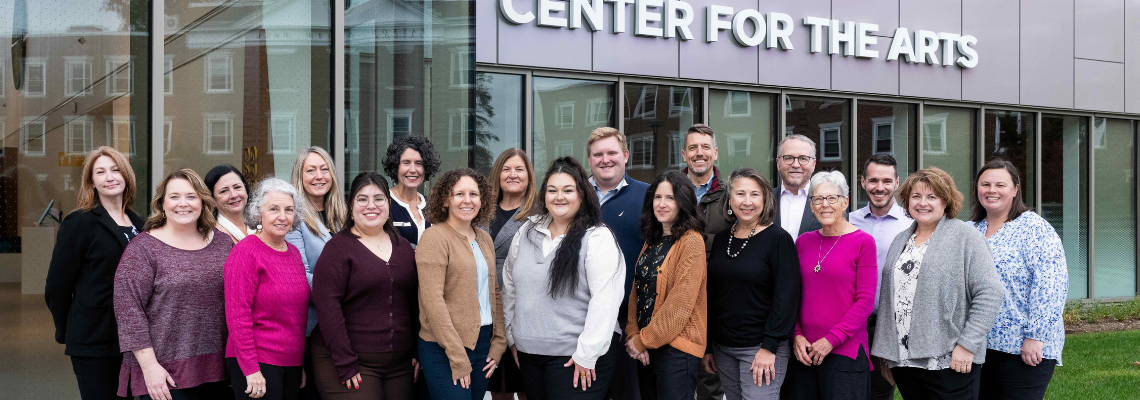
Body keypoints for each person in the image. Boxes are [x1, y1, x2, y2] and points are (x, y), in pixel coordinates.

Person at [871, 167, 1003, 400]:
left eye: (932, 196)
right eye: (916, 196)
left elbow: (989, 293)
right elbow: (889, 298)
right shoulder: (901, 240)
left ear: (946, 201)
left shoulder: (965, 236)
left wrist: (967, 345)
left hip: (950, 360)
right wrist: (886, 355)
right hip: (904, 362)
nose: (923, 203)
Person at [502, 156, 626, 400]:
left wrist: (587, 355)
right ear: (543, 195)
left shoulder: (597, 238)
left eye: (568, 190)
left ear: (581, 195)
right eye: (552, 190)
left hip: (576, 358)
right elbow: (509, 287)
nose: (559, 197)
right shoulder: (526, 231)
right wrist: (511, 336)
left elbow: (605, 301)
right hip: (529, 355)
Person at [113, 169, 234, 399]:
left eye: (191, 196)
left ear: (202, 201)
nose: (183, 204)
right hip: (163, 373)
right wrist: (149, 367)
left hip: (218, 370)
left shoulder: (222, 244)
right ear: (162, 203)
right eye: (174, 196)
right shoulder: (143, 249)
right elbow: (129, 312)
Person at [45, 146, 145, 400]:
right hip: (94, 341)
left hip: (135, 343)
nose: (109, 177)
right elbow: (57, 287)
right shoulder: (79, 223)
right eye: (100, 172)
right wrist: (68, 329)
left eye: (115, 170)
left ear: (126, 176)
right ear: (91, 181)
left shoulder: (141, 225)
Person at [310, 172, 420, 400]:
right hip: (348, 361)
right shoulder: (337, 249)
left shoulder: (403, 247)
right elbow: (328, 307)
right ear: (351, 206)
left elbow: (414, 303)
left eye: (379, 198)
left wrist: (418, 350)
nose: (371, 206)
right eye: (362, 199)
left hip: (400, 365)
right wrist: (345, 361)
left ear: (389, 204)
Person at [970, 159, 1068, 400]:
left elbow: (1051, 285)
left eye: (1000, 184)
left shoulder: (1034, 228)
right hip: (978, 345)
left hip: (1022, 346)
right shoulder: (969, 229)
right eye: (985, 184)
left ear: (1015, 189)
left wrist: (1036, 336)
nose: (992, 190)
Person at [703, 168, 800, 400]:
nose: (747, 202)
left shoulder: (778, 239)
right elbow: (713, 295)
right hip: (723, 347)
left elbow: (786, 297)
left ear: (765, 199)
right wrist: (708, 346)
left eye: (755, 194)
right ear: (729, 199)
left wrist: (769, 347)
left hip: (760, 348)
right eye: (740, 194)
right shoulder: (721, 239)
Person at [416, 168, 507, 400]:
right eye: (459, 194)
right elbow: (432, 301)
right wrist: (457, 356)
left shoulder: (484, 237)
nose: (467, 200)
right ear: (446, 199)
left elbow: (493, 292)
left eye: (474, 194)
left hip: (483, 344)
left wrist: (498, 343)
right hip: (443, 348)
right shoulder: (434, 237)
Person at [786, 171, 877, 400]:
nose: (824, 204)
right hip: (804, 353)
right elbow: (791, 295)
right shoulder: (803, 242)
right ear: (812, 205)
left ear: (845, 202)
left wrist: (830, 340)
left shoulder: (863, 242)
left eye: (832, 198)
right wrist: (796, 335)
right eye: (818, 199)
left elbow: (865, 302)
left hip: (844, 351)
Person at [225, 178, 311, 400]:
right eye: (274, 209)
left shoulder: (293, 253)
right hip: (257, 363)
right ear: (259, 213)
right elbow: (237, 315)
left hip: (291, 362)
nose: (282, 216)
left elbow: (297, 317)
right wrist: (251, 369)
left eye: (288, 210)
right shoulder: (246, 251)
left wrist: (298, 363)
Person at [624, 170, 708, 400]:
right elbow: (637, 290)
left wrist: (643, 340)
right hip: (647, 347)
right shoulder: (652, 239)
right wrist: (634, 335)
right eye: (657, 197)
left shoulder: (691, 240)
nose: (662, 204)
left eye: (670, 198)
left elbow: (680, 304)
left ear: (683, 202)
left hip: (677, 350)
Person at [585, 127, 649, 400]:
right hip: (579, 318)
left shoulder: (649, 197)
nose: (605, 159)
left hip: (629, 320)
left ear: (625, 155)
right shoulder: (572, 196)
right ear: (589, 159)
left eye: (612, 152)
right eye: (598, 154)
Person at [284, 146, 348, 400]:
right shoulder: (294, 219)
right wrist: (349, 293)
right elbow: (301, 276)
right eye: (310, 170)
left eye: (324, 169)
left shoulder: (343, 217)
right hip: (312, 332)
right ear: (299, 176)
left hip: (344, 329)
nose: (318, 176)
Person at [849, 154, 912, 400]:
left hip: (890, 326)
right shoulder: (848, 220)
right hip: (851, 325)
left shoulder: (912, 223)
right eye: (873, 180)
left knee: (880, 392)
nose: (880, 187)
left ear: (897, 183)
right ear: (863, 182)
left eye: (887, 180)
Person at [487, 149, 537, 400]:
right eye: (506, 169)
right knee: (499, 386)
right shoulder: (481, 210)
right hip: (487, 307)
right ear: (497, 175)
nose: (512, 175)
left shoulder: (541, 213)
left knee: (527, 384)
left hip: (523, 308)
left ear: (529, 176)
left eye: (519, 169)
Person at [383, 135, 442, 246]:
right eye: (406, 163)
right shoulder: (384, 202)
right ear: (396, 166)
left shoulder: (432, 205)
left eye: (418, 163)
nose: (413, 170)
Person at [682, 124, 730, 236]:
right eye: (693, 148)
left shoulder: (731, 194)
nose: (699, 153)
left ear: (715, 153)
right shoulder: (671, 192)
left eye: (706, 147)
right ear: (684, 155)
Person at [773, 135, 821, 239]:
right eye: (788, 158)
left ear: (813, 164)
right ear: (778, 163)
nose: (796, 165)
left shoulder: (830, 203)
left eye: (803, 159)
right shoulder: (763, 200)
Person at [205, 165, 253, 244]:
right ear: (212, 200)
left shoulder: (261, 227)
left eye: (237, 187)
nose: (234, 195)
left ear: (246, 190)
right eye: (224, 191)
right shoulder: (211, 237)